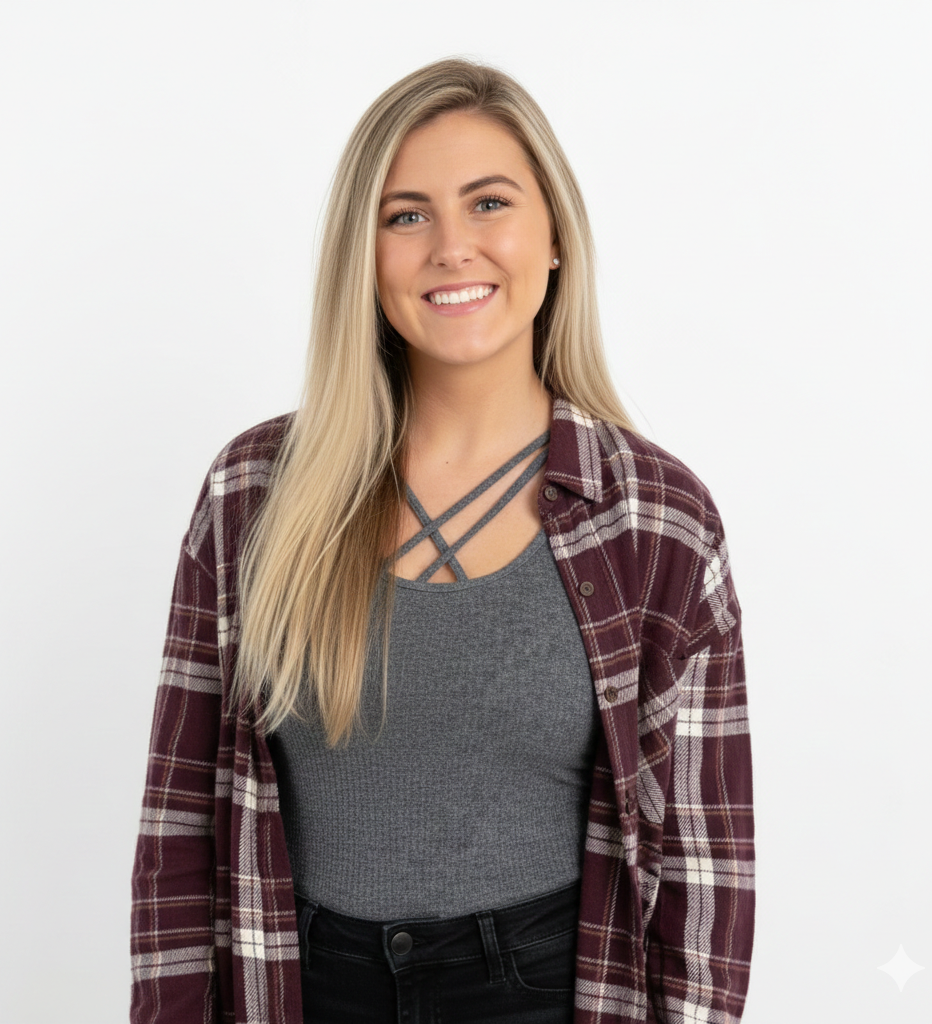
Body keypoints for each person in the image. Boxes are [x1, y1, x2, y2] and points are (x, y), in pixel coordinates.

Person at [130, 57, 755, 1024]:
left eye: (489, 203)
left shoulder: (656, 520)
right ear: (365, 255)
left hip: (547, 992)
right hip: (299, 987)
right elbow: (179, 829)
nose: (452, 247)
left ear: (555, 235)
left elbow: (703, 873)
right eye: (407, 215)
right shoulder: (253, 493)